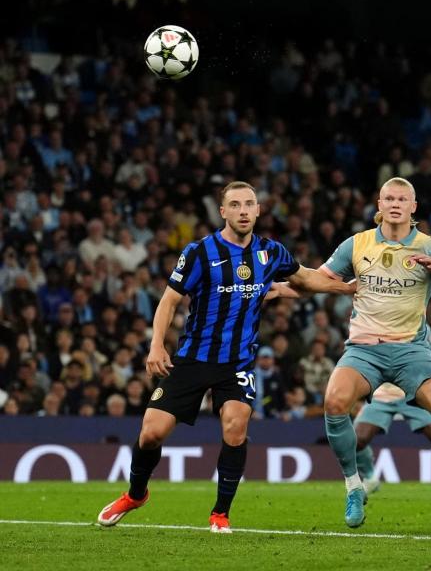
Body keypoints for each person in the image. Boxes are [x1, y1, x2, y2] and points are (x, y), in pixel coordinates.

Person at [96, 181, 354, 533]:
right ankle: (136, 494)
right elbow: (170, 300)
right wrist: (157, 344)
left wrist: (351, 287)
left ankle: (220, 513)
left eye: (250, 204)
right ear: (223, 212)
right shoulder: (200, 252)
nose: (244, 210)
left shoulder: (271, 252)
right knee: (151, 433)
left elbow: (306, 279)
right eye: (235, 205)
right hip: (192, 357)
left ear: (259, 210)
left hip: (237, 362)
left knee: (236, 427)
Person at [287, 177, 431, 529]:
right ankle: (354, 486)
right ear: (380, 203)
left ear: (413, 206)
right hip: (365, 350)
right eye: (389, 198)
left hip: (411, 350)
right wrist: (280, 284)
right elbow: (317, 280)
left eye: (403, 198)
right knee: (334, 402)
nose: (396, 204)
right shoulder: (357, 244)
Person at [354, 327, 431, 495]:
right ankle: (370, 478)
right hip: (382, 393)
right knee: (356, 440)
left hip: (413, 391)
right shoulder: (372, 322)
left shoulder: (419, 323)